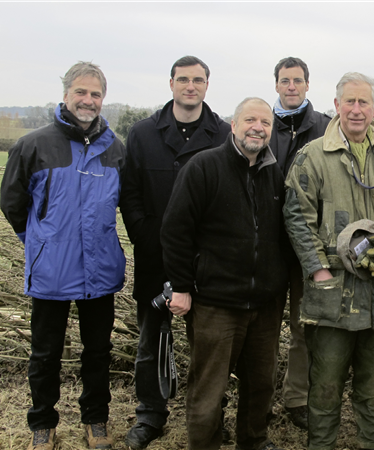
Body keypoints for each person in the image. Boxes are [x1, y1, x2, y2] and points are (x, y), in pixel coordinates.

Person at [0, 61, 126, 450]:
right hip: (52, 270)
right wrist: (39, 240)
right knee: (45, 353)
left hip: (101, 270)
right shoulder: (34, 144)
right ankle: (43, 422)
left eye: (96, 94)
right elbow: (12, 203)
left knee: (98, 352)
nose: (88, 100)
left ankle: (96, 420)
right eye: (81, 92)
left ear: (103, 99)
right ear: (66, 93)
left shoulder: (116, 148)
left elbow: (128, 202)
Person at [284, 72, 374, 450]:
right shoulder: (313, 155)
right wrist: (318, 269)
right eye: (349, 102)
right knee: (324, 388)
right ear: (336, 106)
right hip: (332, 292)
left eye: (364, 103)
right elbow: (296, 218)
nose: (356, 110)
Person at [160, 97, 288, 450]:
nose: (258, 127)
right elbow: (175, 231)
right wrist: (182, 287)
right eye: (250, 119)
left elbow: (280, 235)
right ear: (233, 125)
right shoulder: (204, 167)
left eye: (265, 122)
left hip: (264, 304)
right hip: (216, 303)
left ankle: (254, 441)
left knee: (261, 383)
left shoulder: (273, 172)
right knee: (209, 388)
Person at [119, 55, 231, 449]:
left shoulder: (224, 134)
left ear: (206, 85)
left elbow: (230, 200)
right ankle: (150, 415)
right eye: (183, 80)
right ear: (170, 84)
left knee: (211, 347)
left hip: (206, 264)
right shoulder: (143, 133)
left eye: (198, 80)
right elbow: (129, 194)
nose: (190, 86)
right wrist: (150, 239)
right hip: (154, 256)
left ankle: (211, 415)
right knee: (152, 341)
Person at [269, 56, 331, 430]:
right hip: (267, 245)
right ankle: (257, 397)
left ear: (308, 85)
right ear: (276, 84)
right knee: (261, 327)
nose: (291, 86)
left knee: (303, 327)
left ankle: (297, 398)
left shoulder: (325, 126)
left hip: (309, 245)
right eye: (285, 80)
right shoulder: (261, 122)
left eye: (298, 80)